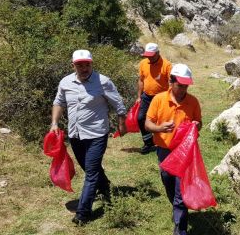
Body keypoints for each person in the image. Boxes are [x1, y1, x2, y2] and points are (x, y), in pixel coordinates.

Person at [51, 49, 127, 225]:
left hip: (96, 134)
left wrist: (122, 123)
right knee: (88, 167)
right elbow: (58, 102)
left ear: (92, 64)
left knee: (91, 172)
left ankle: (83, 213)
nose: (84, 68)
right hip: (75, 134)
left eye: (87, 64)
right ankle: (105, 187)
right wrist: (54, 122)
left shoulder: (103, 82)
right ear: (73, 65)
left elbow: (118, 104)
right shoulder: (65, 82)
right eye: (80, 65)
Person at [145, 63, 202, 235]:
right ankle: (177, 209)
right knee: (167, 180)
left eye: (186, 85)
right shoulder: (159, 99)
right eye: (180, 85)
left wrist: (196, 125)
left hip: (184, 152)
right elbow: (147, 125)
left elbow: (199, 123)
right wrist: (160, 128)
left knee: (180, 192)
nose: (183, 89)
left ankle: (180, 229)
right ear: (171, 81)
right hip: (164, 151)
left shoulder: (193, 102)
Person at [137, 42, 172, 154]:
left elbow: (171, 83)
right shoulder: (143, 63)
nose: (149, 57)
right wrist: (139, 96)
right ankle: (148, 143)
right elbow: (141, 80)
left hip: (162, 97)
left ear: (157, 53)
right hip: (146, 96)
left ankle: (166, 143)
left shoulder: (166, 65)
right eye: (147, 55)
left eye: (151, 55)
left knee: (164, 120)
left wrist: (170, 97)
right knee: (140, 118)